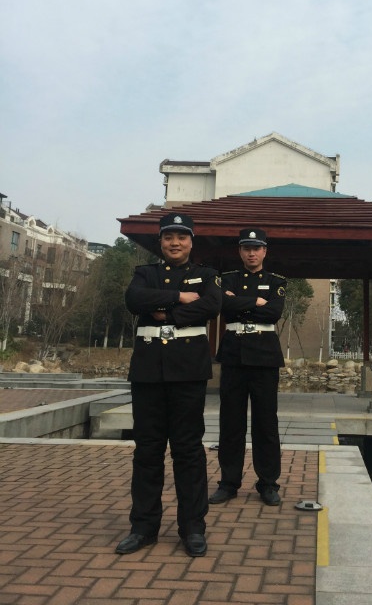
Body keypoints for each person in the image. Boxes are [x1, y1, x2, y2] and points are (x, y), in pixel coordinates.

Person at [115, 213, 221, 557]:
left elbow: (212, 305)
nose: (175, 243)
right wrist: (179, 296)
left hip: (187, 372)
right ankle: (143, 528)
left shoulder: (206, 275)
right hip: (148, 372)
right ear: (160, 241)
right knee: (147, 451)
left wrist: (166, 312)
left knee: (188, 451)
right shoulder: (145, 273)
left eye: (181, 237)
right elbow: (134, 300)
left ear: (191, 242)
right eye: (168, 237)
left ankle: (193, 528)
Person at [209, 228, 286, 506]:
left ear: (265, 251)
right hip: (234, 355)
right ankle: (228, 483)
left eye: (256, 248)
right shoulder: (226, 279)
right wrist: (254, 302)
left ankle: (268, 483)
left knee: (266, 424)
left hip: (264, 357)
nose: (251, 253)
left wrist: (237, 302)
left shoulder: (276, 281)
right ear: (239, 251)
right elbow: (223, 305)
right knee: (231, 423)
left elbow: (273, 312)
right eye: (246, 248)